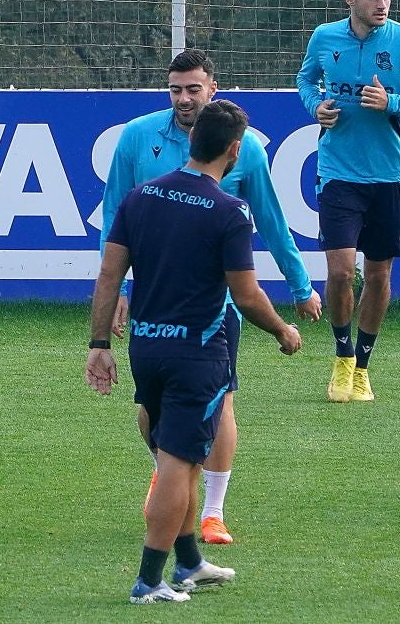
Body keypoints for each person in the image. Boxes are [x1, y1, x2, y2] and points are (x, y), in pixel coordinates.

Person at [101, 48, 322, 545]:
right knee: (150, 409)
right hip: (153, 301)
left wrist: (300, 285)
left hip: (214, 309)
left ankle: (212, 512)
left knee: (220, 403)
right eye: (175, 89)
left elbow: (271, 220)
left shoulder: (247, 150)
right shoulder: (136, 137)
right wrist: (118, 289)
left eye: (193, 89)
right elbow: (114, 214)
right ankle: (169, 473)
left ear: (212, 89)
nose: (183, 98)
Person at [87, 100, 302, 603]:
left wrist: (99, 344)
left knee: (172, 454)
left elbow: (109, 274)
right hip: (198, 353)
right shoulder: (229, 211)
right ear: (235, 151)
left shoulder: (141, 197)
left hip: (146, 347)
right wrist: (282, 331)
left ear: (191, 140)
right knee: (179, 464)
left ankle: (189, 563)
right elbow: (246, 295)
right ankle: (148, 581)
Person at [296, 0, 400, 403]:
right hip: (338, 172)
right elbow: (306, 80)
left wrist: (392, 102)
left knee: (378, 275)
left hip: (387, 176)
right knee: (341, 271)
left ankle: (362, 366)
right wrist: (316, 107)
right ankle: (342, 356)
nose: (382, 3)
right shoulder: (325, 37)